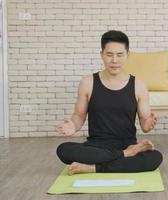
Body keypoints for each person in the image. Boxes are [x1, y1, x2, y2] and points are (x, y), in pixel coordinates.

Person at [56, 30, 162, 175]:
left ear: (127, 55)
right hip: (97, 146)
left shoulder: (139, 85)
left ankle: (93, 167)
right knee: (63, 150)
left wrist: (148, 123)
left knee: (155, 158)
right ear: (102, 55)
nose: (114, 60)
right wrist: (72, 126)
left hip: (127, 143)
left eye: (119, 55)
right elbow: (79, 115)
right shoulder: (87, 83)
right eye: (109, 54)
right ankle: (124, 155)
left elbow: (144, 122)